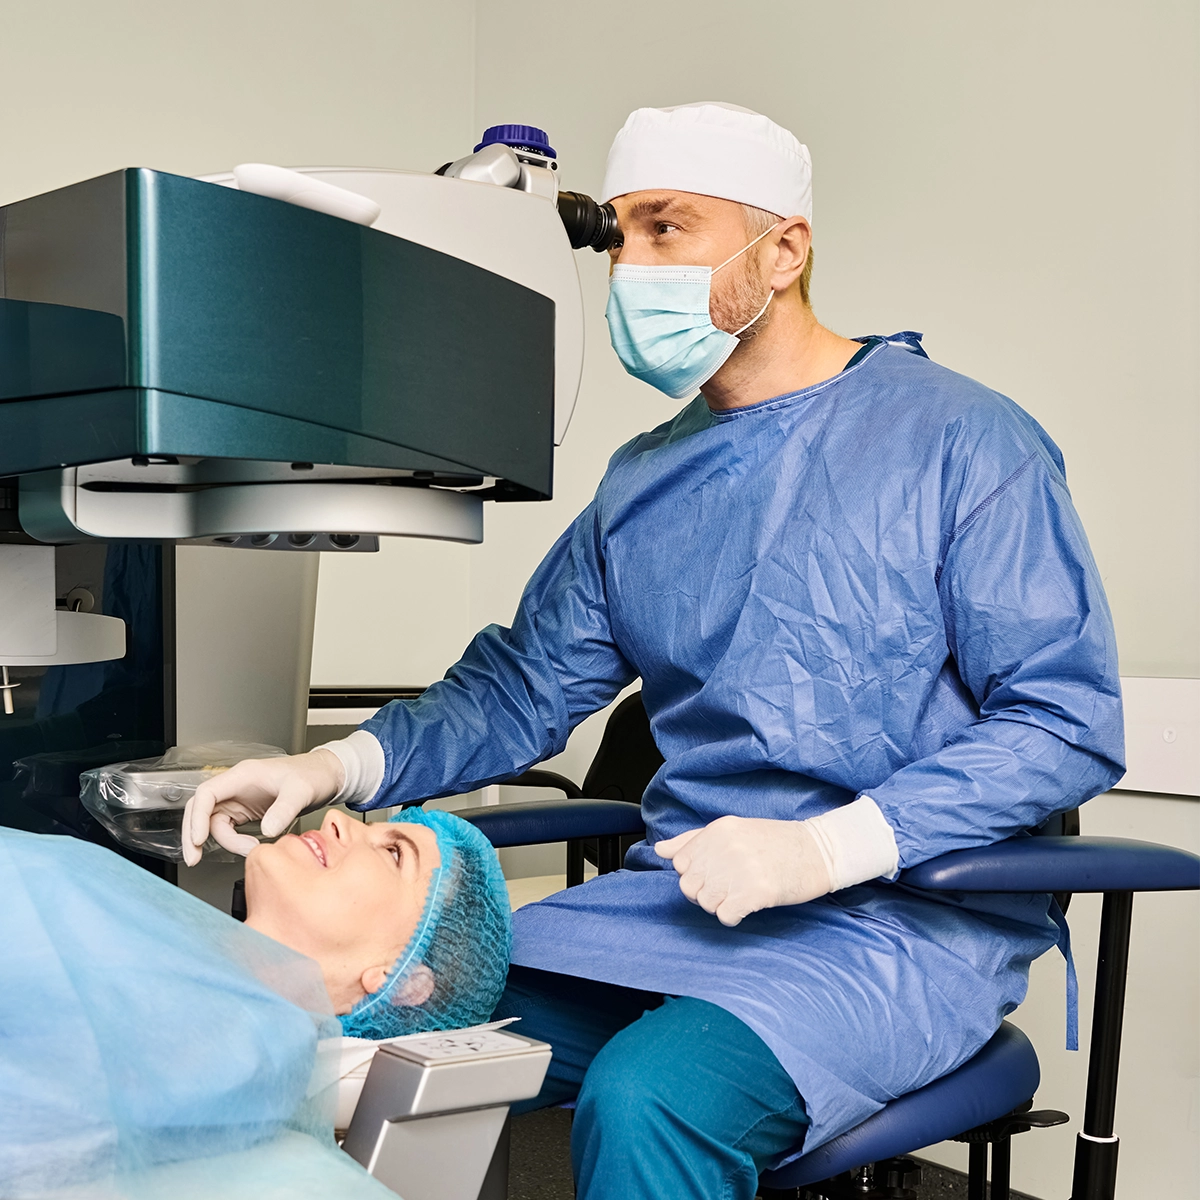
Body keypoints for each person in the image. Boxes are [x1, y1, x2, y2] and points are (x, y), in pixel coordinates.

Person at [182, 101, 1124, 1199]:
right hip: (671, 909)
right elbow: (523, 686)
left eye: (668, 230)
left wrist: (825, 850)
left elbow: (1062, 722)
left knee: (651, 1093)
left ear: (785, 250)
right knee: (367, 1037)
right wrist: (327, 767)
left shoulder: (965, 439)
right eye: (619, 234)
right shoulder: (644, 479)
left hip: (893, 924)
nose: (632, 266)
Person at [0, 808, 510, 1197]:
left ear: (401, 980)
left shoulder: (235, 1046)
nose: (336, 817)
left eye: (394, 853)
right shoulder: (174, 949)